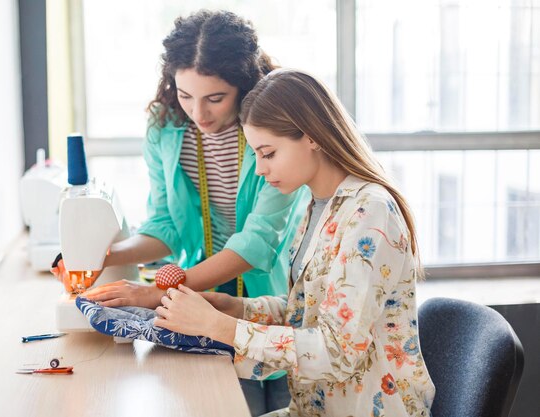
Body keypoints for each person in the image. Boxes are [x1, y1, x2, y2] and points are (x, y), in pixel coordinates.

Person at [52, 10, 308, 416]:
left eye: (215, 99)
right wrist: (100, 255)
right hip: (198, 299)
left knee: (270, 401)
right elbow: (165, 225)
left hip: (267, 297)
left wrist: (159, 293)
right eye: (185, 95)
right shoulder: (165, 127)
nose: (198, 114)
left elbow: (258, 242)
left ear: (245, 85)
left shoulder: (272, 134)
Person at [153, 69, 436, 417]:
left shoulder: (369, 212)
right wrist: (233, 307)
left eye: (268, 153)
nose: (259, 169)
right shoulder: (316, 205)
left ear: (312, 136)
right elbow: (307, 313)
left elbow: (337, 352)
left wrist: (220, 327)